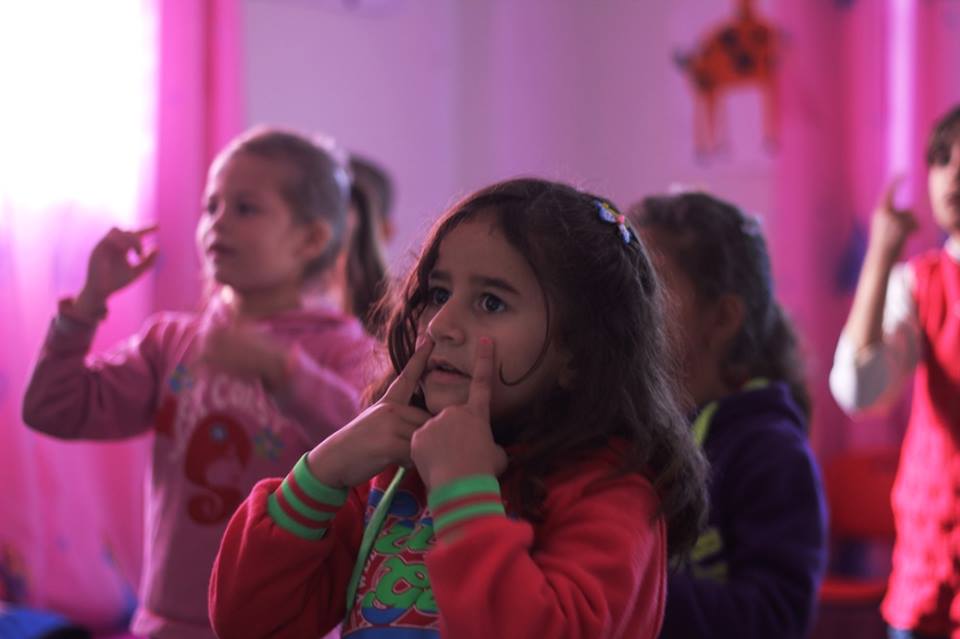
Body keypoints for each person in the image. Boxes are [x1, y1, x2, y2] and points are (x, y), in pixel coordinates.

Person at [208, 177, 709, 638]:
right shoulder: (394, 470)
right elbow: (249, 623)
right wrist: (322, 471)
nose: (440, 324)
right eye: (438, 293)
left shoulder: (609, 489)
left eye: (491, 302)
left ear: (579, 354)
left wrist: (464, 493)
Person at [21, 127, 377, 639]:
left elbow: (370, 449)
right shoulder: (173, 342)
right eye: (212, 206)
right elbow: (52, 407)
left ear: (311, 239)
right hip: (166, 625)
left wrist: (284, 372)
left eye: (245, 208)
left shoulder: (346, 353)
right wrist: (88, 303)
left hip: (283, 629)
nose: (217, 223)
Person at [629, 191, 828, 638]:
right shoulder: (632, 430)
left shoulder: (771, 451)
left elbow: (777, 619)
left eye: (650, 286)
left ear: (721, 318)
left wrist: (633, 592)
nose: (628, 305)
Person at [830, 104, 960, 639]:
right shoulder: (921, 282)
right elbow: (860, 392)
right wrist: (881, 255)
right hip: (931, 558)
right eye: (942, 158)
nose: (953, 172)